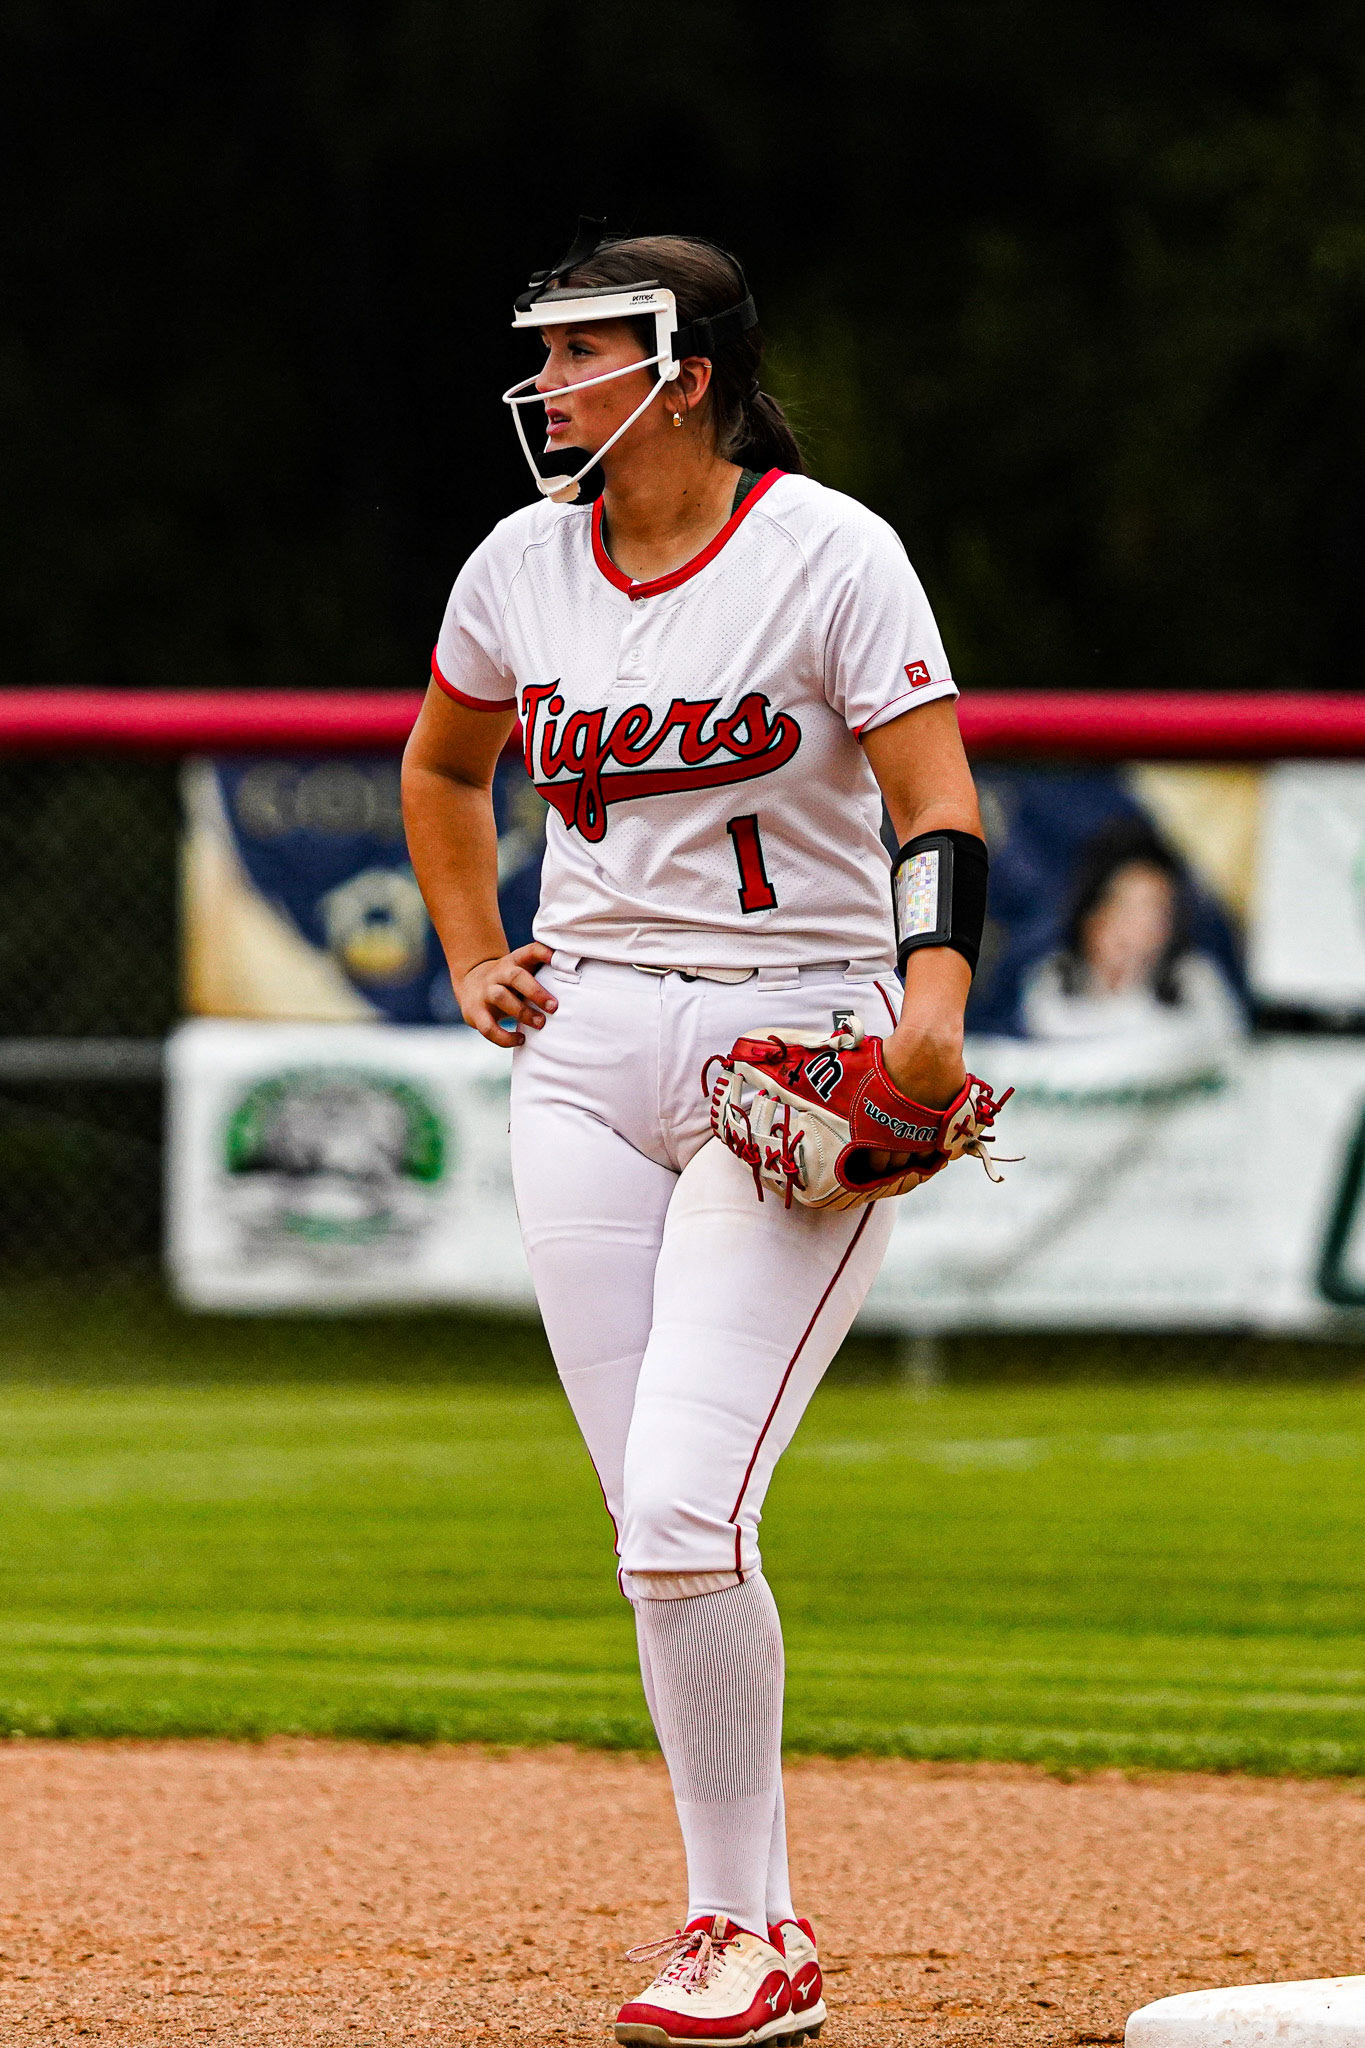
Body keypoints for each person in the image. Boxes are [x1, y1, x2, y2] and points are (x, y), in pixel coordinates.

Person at [402, 225, 986, 2047]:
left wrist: (931, 1009)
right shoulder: (519, 562)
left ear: (688, 372)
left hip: (789, 1041)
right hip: (582, 1051)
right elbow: (443, 765)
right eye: (547, 352)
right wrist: (471, 948)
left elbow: (936, 800)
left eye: (582, 350)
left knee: (680, 1508)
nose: (549, 382)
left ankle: (748, 1926)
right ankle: (745, 1916)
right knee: (650, 1524)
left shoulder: (827, 548)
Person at [1021, 815, 1244, 1048]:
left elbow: (1222, 1046)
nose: (1144, 926)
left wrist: (1135, 978)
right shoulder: (1053, 979)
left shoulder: (1196, 981)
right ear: (1092, 913)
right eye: (1128, 907)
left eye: (1158, 911)